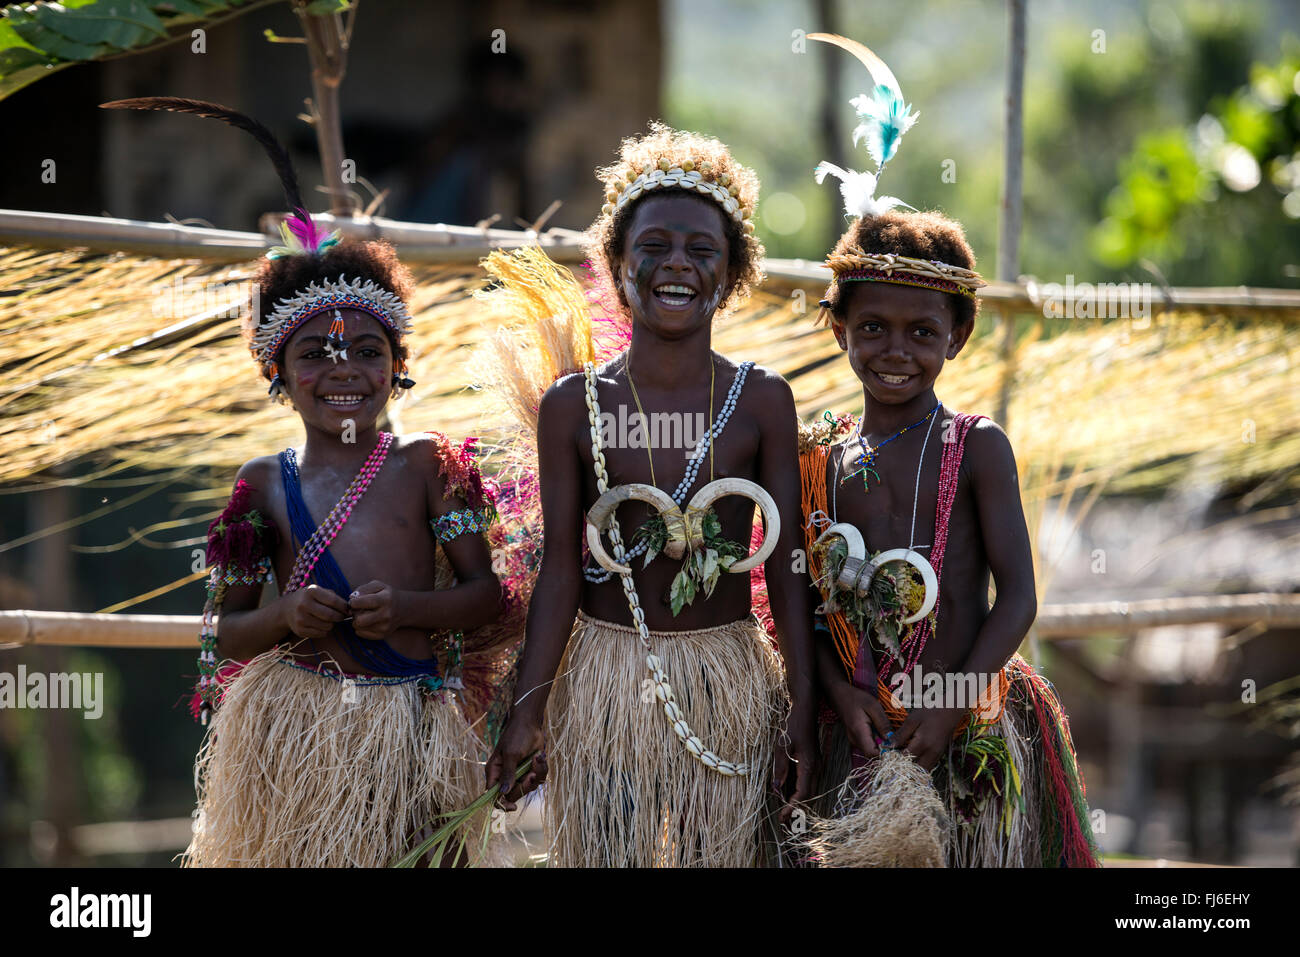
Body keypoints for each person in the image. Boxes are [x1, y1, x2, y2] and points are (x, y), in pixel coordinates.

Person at [101, 97, 511, 867]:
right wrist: (288, 612)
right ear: (278, 376)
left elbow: (486, 596)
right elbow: (226, 630)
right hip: (300, 736)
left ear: (399, 365)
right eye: (314, 354)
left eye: (366, 349)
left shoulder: (429, 465)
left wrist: (412, 608)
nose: (344, 369)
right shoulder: (260, 484)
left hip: (415, 733)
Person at [796, 36, 1099, 867]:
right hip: (858, 737)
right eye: (872, 329)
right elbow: (803, 601)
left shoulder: (978, 448)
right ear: (839, 330)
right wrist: (834, 691)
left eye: (922, 332)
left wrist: (954, 699)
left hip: (970, 730)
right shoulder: (816, 456)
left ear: (958, 337)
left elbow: (1018, 598)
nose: (896, 350)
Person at [484, 123, 818, 867]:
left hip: (724, 678)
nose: (678, 264)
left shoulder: (761, 399)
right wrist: (529, 709)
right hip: (606, 682)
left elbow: (788, 562)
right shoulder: (574, 406)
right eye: (654, 246)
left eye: (703, 251)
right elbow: (561, 572)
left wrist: (801, 700)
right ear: (618, 264)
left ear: (732, 273)